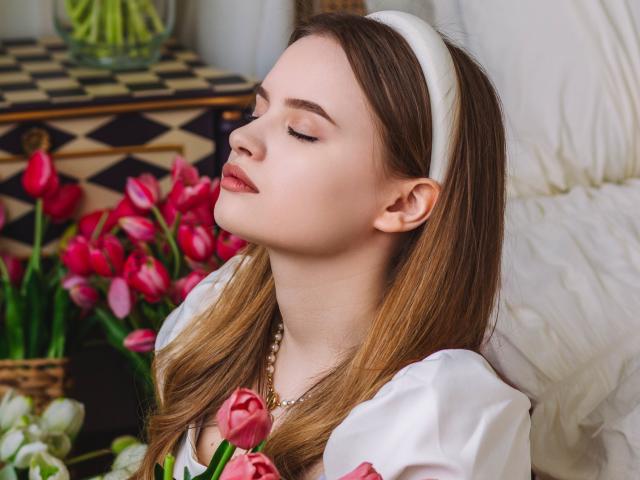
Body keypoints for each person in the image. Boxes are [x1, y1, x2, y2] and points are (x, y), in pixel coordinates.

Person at [132, 9, 531, 480]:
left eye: (301, 131)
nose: (242, 137)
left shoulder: (435, 422)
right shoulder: (211, 320)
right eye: (257, 112)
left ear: (403, 203)